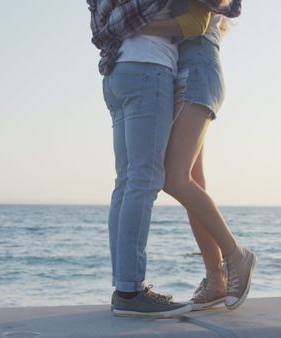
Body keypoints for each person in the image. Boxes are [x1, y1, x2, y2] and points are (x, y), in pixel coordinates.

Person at [88, 0, 242, 318]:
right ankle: (131, 290)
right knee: (149, 180)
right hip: (149, 70)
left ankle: (213, 274)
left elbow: (202, 21)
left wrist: (120, 30)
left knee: (138, 180)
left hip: (124, 73)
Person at [139, 0, 256, 311]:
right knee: (192, 181)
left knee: (174, 179)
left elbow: (198, 22)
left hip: (198, 73)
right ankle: (215, 279)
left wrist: (134, 27)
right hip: (187, 74)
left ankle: (236, 256)